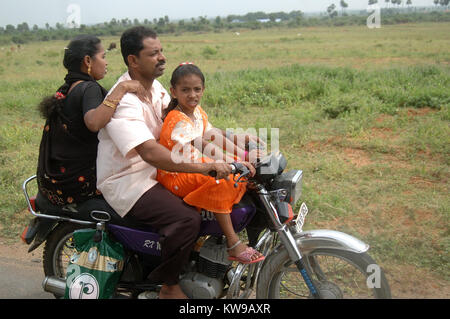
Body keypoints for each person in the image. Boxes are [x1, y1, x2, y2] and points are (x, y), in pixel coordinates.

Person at [96, 26, 234, 299]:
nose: (162, 58)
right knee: (186, 219)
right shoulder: (125, 101)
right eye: (154, 53)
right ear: (133, 60)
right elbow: (149, 152)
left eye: (162, 51)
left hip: (159, 172)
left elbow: (188, 127)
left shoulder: (156, 89)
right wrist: (204, 166)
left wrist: (238, 148)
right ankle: (169, 286)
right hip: (130, 180)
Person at [157, 63, 265, 264]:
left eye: (197, 89)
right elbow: (204, 145)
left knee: (237, 173)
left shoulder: (196, 112)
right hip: (176, 174)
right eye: (185, 90)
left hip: (196, 165)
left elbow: (212, 134)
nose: (192, 95)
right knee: (223, 179)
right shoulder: (177, 119)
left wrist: (242, 151)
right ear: (173, 91)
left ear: (203, 90)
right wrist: (237, 160)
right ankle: (233, 242)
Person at [36, 34, 148, 207]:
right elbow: (94, 122)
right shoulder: (89, 88)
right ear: (88, 61)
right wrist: (122, 87)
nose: (106, 62)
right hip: (79, 183)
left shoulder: (67, 88)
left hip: (56, 182)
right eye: (103, 57)